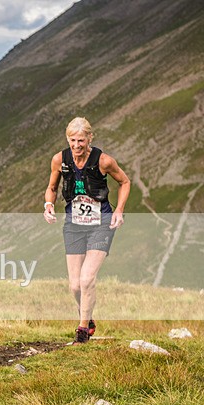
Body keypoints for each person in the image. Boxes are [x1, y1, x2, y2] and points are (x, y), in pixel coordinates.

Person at [43, 117, 131, 344]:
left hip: (101, 223)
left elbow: (125, 182)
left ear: (89, 138)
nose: (77, 145)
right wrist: (48, 205)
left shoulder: (103, 160)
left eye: (81, 140)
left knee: (87, 278)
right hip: (74, 225)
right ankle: (88, 318)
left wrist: (119, 210)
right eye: (72, 140)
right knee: (74, 285)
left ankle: (82, 331)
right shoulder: (59, 160)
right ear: (67, 139)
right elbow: (52, 188)